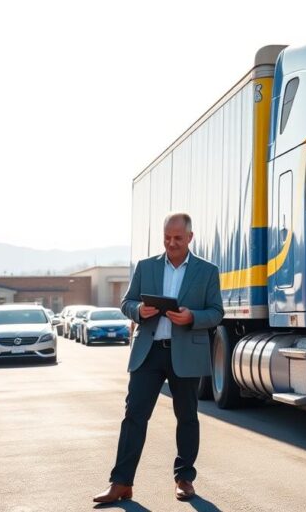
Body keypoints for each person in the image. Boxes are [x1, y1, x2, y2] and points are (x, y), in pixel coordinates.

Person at [93, 212, 224, 503]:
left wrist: (192, 317)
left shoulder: (207, 271)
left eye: (178, 238)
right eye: (167, 238)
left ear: (190, 237)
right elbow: (126, 302)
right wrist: (138, 310)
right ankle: (121, 483)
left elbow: (216, 312)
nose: (171, 243)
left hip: (186, 354)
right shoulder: (146, 266)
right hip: (148, 353)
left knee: (187, 417)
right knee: (134, 416)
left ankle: (184, 479)